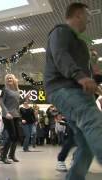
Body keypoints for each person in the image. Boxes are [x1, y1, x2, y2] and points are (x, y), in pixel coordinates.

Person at [44, 2, 102, 180]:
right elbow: (60, 55)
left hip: (73, 90)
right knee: (94, 122)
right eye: (88, 16)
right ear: (78, 14)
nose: (89, 20)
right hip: (65, 88)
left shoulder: (79, 42)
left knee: (85, 145)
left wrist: (91, 80)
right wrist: (80, 76)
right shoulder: (60, 31)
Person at [0, 74, 28, 164]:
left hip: (16, 116)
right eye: (7, 78)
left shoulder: (17, 91)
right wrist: (6, 113)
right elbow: (1, 102)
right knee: (11, 136)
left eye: (11, 78)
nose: (9, 79)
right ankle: (3, 156)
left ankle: (11, 155)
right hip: (7, 116)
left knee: (17, 137)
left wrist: (25, 99)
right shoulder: (5, 90)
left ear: (14, 79)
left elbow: (17, 103)